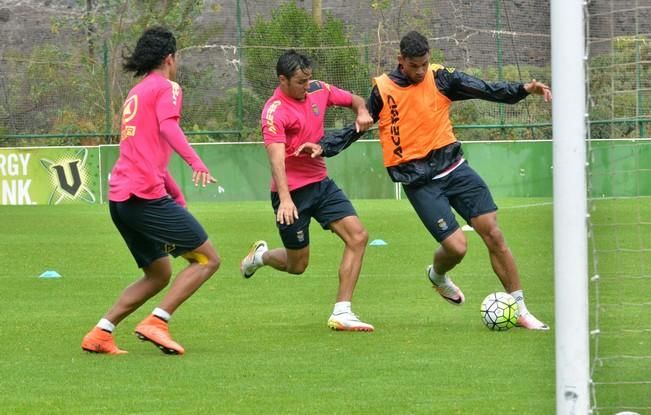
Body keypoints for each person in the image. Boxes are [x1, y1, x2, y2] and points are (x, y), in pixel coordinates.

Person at [297, 31, 552, 330]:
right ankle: (438, 276)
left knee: (493, 233)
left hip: (454, 167)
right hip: (419, 180)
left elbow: (486, 89)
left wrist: (523, 89)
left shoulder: (441, 78)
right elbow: (359, 127)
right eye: (415, 65)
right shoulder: (384, 89)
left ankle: (520, 308)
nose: (420, 71)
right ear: (401, 61)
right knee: (457, 248)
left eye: (424, 64)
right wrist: (325, 146)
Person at [81, 27, 220, 355]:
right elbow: (168, 127)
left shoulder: (137, 92)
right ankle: (157, 321)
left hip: (121, 201)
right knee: (207, 259)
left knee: (158, 273)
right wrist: (196, 162)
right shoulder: (168, 88)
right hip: (143, 198)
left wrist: (176, 194)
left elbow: (147, 154)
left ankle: (101, 332)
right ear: (170, 58)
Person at [240, 50, 375, 332]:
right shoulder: (274, 111)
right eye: (300, 81)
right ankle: (260, 257)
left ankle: (342, 311)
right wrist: (286, 200)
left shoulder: (318, 89)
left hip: (321, 184)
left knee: (358, 236)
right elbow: (276, 159)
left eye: (308, 79)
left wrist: (362, 111)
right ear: (283, 80)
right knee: (297, 265)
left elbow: (354, 100)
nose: (306, 86)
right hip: (291, 194)